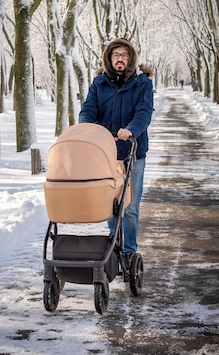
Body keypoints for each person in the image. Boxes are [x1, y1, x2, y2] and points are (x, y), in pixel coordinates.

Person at [78, 38, 154, 267]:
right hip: (106, 153)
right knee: (110, 204)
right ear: (109, 59)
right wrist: (88, 127)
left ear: (130, 59)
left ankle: (129, 251)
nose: (120, 59)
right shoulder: (99, 83)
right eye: (115, 55)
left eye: (124, 55)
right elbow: (88, 109)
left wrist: (130, 131)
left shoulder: (142, 84)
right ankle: (115, 246)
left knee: (130, 206)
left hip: (133, 151)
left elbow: (144, 113)